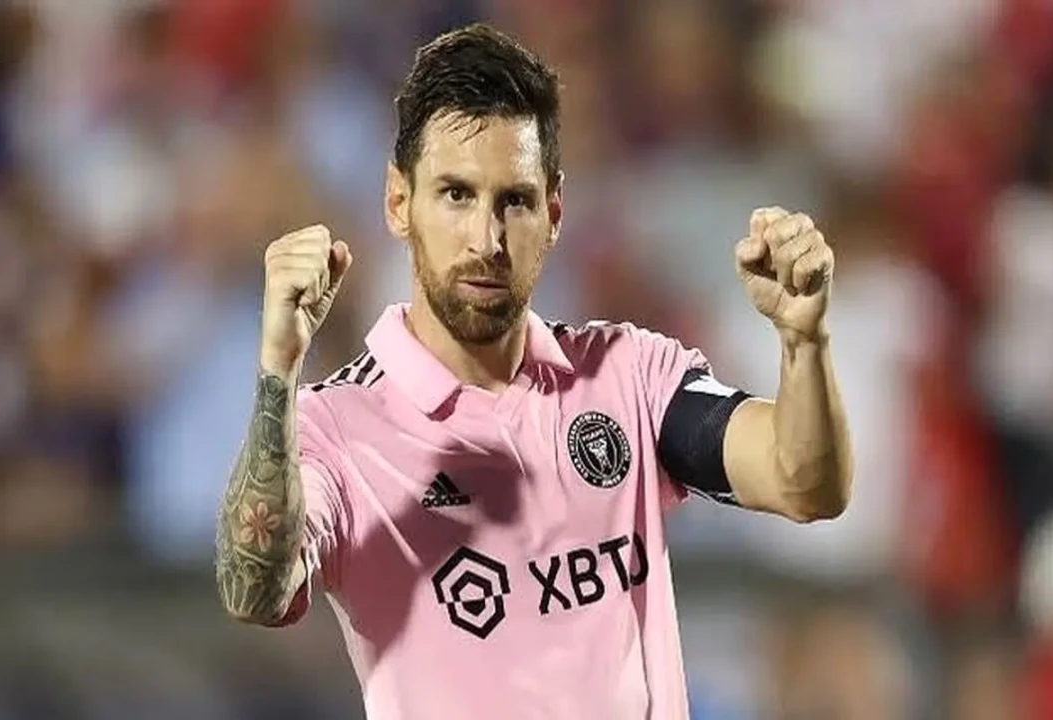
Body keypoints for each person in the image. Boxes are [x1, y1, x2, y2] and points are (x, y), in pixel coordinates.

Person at [213, 23, 853, 720]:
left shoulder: (628, 377)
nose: (486, 239)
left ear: (554, 211)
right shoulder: (337, 428)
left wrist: (804, 341)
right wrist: (277, 372)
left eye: (513, 200)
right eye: (456, 195)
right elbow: (256, 589)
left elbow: (804, 484)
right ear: (399, 203)